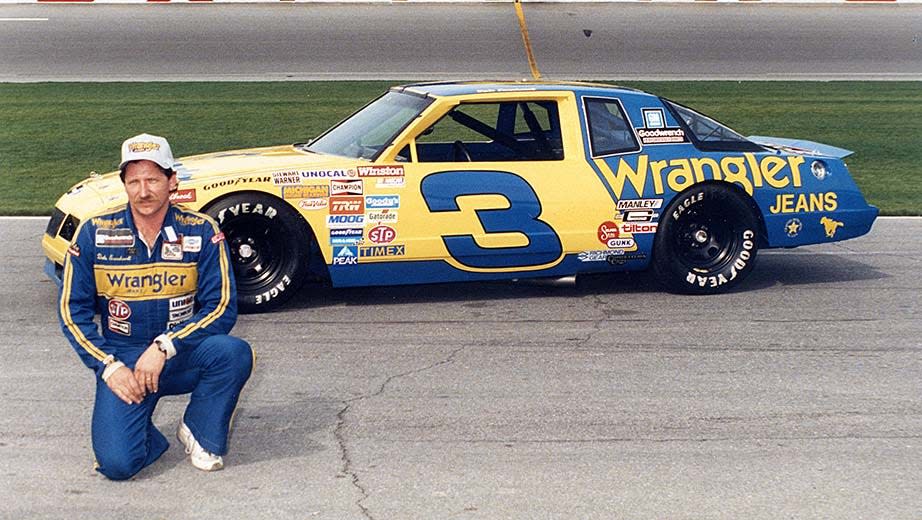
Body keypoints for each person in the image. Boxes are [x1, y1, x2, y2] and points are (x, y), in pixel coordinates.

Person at [58, 133, 253, 480]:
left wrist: (166, 345)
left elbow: (221, 306)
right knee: (118, 465)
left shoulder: (202, 230)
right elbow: (73, 313)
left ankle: (200, 429)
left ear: (171, 181)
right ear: (124, 184)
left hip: (180, 354)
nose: (143, 191)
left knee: (233, 353)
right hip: (124, 361)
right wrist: (109, 367)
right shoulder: (94, 232)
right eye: (133, 181)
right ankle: (144, 438)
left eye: (152, 179)